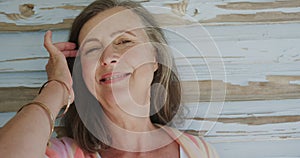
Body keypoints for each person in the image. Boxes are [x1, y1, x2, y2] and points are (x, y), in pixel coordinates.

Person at [0, 0, 219, 157]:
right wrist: (57, 86)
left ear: (155, 57)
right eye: (93, 49)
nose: (108, 58)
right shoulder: (61, 154)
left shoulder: (199, 152)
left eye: (124, 42)